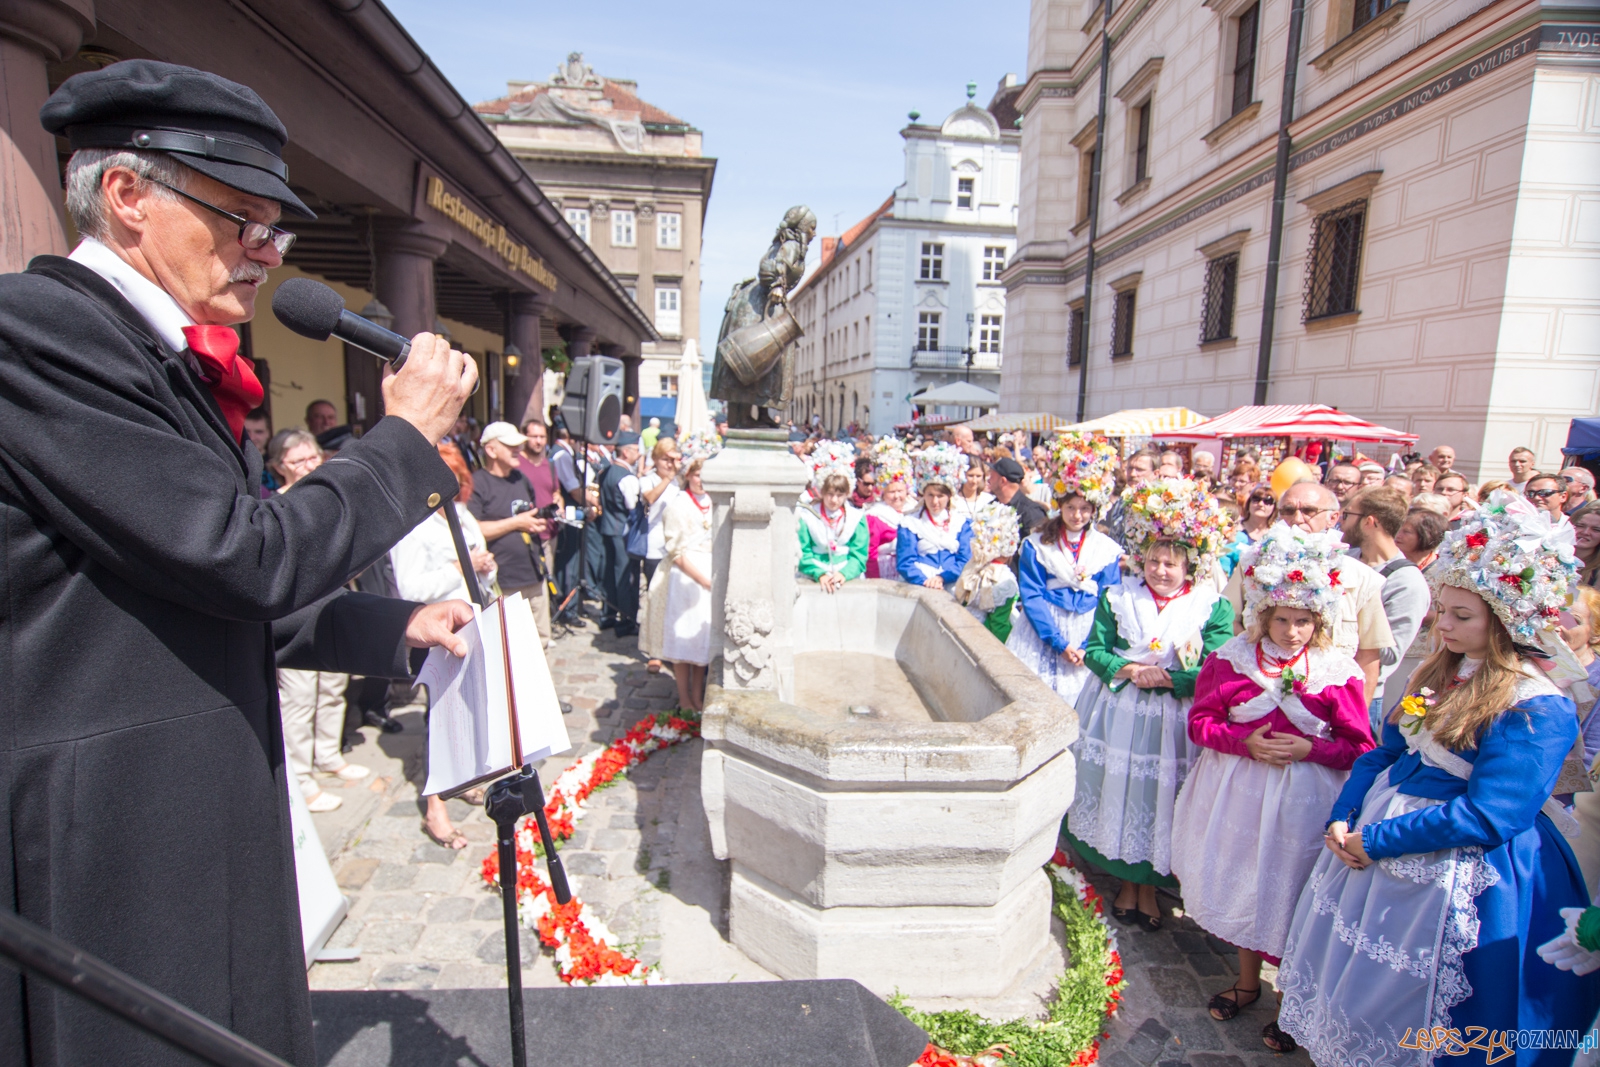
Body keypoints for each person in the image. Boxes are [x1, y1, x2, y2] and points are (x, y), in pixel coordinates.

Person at [0, 60, 477, 1066]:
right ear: (128, 195)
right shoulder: (40, 331)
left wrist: (388, 626)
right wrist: (400, 441)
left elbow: (184, 578)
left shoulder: (157, 352)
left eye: (278, 228)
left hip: (193, 816)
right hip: (114, 835)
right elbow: (237, 555)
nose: (266, 252)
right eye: (244, 220)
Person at [1277, 491, 1600, 1063]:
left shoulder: (1535, 705)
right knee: (1362, 987)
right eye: (1442, 611)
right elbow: (1387, 753)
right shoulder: (1442, 672)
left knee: (1435, 1006)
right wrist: (1343, 813)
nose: (1442, 625)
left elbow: (1492, 814)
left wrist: (1375, 840)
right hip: (1379, 842)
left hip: (1461, 865)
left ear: (1505, 618)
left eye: (1460, 615)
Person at [1170, 526, 1372, 1045]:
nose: (1292, 630)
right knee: (1244, 880)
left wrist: (1313, 749)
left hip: (1303, 804)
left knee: (1290, 890)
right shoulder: (1231, 660)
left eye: (1303, 620)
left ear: (1319, 620)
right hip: (1235, 795)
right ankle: (1244, 982)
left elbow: (1362, 747)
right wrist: (1246, 743)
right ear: (1262, 616)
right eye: (1282, 618)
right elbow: (1200, 723)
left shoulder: (1336, 672)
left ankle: (1292, 1001)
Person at [1064, 479, 1236, 929]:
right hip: (1121, 709)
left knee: (1163, 795)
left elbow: (1217, 666)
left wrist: (1173, 678)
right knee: (1122, 789)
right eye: (1155, 561)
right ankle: (1126, 880)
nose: (1161, 571)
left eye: (1172, 564)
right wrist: (1131, 671)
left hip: (1174, 717)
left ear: (1190, 566)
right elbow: (1096, 649)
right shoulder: (1119, 596)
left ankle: (1153, 883)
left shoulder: (1210, 607)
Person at [390, 442, 496, 848]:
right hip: (436, 635)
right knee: (440, 719)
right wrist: (460, 566)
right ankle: (435, 808)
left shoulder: (461, 513)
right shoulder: (411, 523)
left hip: (473, 622)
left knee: (471, 713)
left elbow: (481, 561)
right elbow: (410, 588)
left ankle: (463, 779)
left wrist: (484, 565)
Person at [269, 430, 370, 813]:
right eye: (299, 461)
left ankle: (328, 755)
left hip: (331, 605)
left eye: (313, 457)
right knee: (298, 698)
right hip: (294, 615)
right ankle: (302, 777)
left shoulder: (326, 500)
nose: (310, 466)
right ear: (280, 467)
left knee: (332, 687)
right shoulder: (275, 507)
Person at [1225, 481, 1393, 706]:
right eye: (1288, 510)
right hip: (1258, 695)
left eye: (1309, 510)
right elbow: (1230, 619)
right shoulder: (1252, 565)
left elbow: (1368, 655)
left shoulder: (1361, 578)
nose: (1297, 518)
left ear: (1333, 518)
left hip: (1327, 705)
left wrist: (1354, 718)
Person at [1006, 436, 1124, 706]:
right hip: (1045, 628)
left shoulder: (1105, 549)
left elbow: (1109, 598)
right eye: (1070, 507)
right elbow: (1032, 595)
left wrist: (1088, 645)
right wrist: (1058, 643)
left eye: (1084, 509)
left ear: (1094, 509)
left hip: (1088, 629)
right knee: (1038, 700)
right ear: (1060, 505)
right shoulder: (1037, 545)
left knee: (1081, 704)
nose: (1077, 515)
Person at [1341, 487, 1431, 734]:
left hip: (1359, 696)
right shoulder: (1343, 559)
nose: (1342, 521)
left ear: (1369, 522)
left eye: (1347, 515)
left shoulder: (1407, 582)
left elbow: (1389, 653)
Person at [470, 421, 552, 642]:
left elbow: (529, 516)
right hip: (502, 582)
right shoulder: (477, 483)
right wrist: (516, 523)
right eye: (510, 445)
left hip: (533, 575)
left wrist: (535, 523)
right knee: (508, 646)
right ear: (491, 450)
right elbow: (473, 530)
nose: (518, 449)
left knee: (540, 641)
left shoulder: (520, 478)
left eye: (519, 444)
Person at [662, 457, 714, 710]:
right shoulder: (678, 503)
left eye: (705, 475)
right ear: (688, 476)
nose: (700, 481)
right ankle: (684, 698)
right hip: (686, 576)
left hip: (709, 570)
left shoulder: (714, 502)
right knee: (683, 638)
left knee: (701, 639)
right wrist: (703, 579)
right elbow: (675, 550)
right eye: (696, 475)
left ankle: (698, 695)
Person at [897, 443, 973, 591]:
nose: (935, 501)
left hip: (953, 583)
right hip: (919, 583)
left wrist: (943, 577)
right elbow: (905, 561)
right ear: (923, 494)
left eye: (940, 496)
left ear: (949, 496)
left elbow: (965, 558)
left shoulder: (961, 523)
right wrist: (924, 580)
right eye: (930, 495)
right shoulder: (910, 523)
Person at [638, 437, 683, 672]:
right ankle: (653, 651)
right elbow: (650, 498)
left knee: (673, 599)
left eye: (672, 459)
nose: (669, 464)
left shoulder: (679, 481)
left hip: (675, 547)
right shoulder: (649, 479)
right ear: (655, 459)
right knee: (655, 598)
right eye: (665, 459)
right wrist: (668, 477)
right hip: (655, 545)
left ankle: (671, 646)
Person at [797, 454, 869, 593]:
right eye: (830, 494)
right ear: (822, 492)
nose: (834, 500)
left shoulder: (856, 517)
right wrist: (818, 573)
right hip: (814, 574)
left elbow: (859, 554)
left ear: (847, 493)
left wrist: (845, 573)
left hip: (847, 574)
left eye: (840, 495)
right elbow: (802, 552)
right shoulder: (807, 516)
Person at [597, 432, 644, 636]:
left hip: (607, 527)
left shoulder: (606, 471)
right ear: (626, 452)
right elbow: (632, 506)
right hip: (622, 531)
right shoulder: (627, 477)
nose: (639, 454)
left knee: (609, 574)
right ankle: (626, 619)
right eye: (635, 450)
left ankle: (609, 614)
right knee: (626, 576)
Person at [955, 502, 1022, 640]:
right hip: (986, 639)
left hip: (962, 631)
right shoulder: (1004, 578)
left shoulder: (972, 568)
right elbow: (999, 624)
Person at [1104, 449, 1158, 550]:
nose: (1132, 474)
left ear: (1155, 473)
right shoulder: (1123, 499)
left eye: (1140, 469)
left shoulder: (1158, 505)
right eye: (1130, 468)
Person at [1219, 484, 1276, 576]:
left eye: (1267, 501)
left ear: (1274, 507)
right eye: (1256, 499)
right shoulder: (1234, 528)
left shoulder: (1275, 534)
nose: (1261, 504)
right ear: (1249, 503)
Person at [988, 455, 1049, 540]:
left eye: (992, 476)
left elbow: (1038, 545)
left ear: (1002, 481)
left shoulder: (1031, 512)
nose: (988, 480)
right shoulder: (990, 507)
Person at [951, 454, 994, 523]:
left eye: (978, 476)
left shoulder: (988, 500)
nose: (974, 481)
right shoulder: (953, 500)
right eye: (970, 476)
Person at [1571, 501, 1600, 587]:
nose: (1586, 532)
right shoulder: (1550, 557)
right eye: (1580, 525)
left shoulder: (1597, 572)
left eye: (1596, 529)